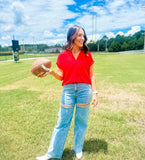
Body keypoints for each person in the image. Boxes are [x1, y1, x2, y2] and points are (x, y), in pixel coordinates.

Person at [36, 25, 98, 160]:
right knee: (62, 122)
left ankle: (78, 149)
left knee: (81, 122)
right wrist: (52, 72)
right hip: (68, 91)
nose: (83, 38)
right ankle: (52, 154)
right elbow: (61, 77)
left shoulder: (87, 54)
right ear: (72, 37)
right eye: (80, 35)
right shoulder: (63, 56)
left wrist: (95, 93)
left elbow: (92, 75)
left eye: (83, 35)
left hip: (84, 90)